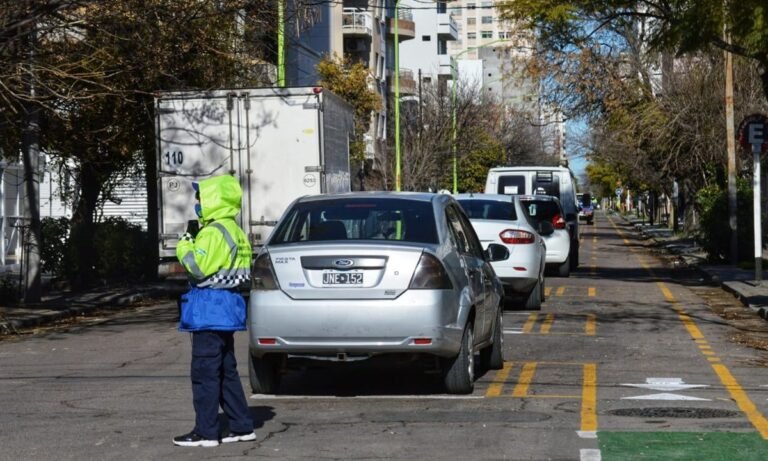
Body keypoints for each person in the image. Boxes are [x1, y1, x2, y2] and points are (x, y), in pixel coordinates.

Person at [173, 174, 256, 448]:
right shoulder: (235, 231)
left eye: (201, 198)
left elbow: (197, 267)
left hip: (209, 310)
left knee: (205, 374)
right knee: (226, 371)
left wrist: (185, 243)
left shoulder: (212, 232)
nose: (197, 203)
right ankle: (242, 426)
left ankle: (206, 432)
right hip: (227, 310)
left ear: (213, 201)